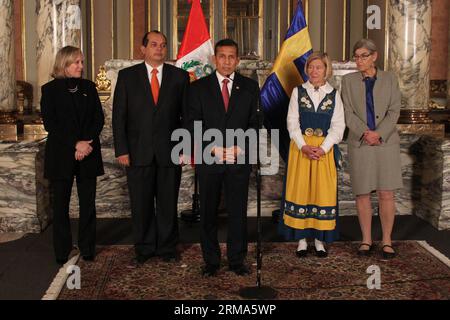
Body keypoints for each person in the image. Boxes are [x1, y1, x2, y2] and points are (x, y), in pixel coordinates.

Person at [112, 31, 190, 264]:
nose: (159, 49)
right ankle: (144, 249)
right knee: (141, 204)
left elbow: (186, 117)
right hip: (137, 152)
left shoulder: (180, 77)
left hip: (170, 152)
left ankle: (167, 248)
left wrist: (185, 147)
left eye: (163, 45)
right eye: (154, 44)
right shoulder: (127, 77)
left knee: (168, 204)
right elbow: (119, 117)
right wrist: (122, 150)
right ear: (142, 49)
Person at [187, 39, 260, 277]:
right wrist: (213, 149)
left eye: (231, 57)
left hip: (238, 158)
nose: (227, 61)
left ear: (238, 60)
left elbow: (255, 123)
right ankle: (211, 261)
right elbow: (192, 124)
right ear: (214, 59)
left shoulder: (249, 87)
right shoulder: (198, 88)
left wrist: (240, 147)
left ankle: (237, 260)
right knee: (208, 212)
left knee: (237, 211)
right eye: (222, 56)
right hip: (210, 158)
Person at [41, 46, 104, 265]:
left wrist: (85, 144)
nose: (81, 66)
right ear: (64, 64)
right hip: (61, 154)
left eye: (82, 62)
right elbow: (51, 124)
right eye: (76, 62)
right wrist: (75, 144)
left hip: (88, 153)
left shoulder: (89, 87)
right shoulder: (49, 90)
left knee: (88, 203)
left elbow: (98, 119)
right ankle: (62, 249)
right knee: (61, 205)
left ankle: (87, 247)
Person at [279, 52, 345, 258]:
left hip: (323, 152)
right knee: (301, 191)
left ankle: (319, 240)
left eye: (319, 67)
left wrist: (323, 148)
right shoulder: (298, 92)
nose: (314, 71)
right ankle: (301, 240)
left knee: (321, 193)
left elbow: (338, 126)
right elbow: (292, 122)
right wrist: (303, 146)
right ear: (306, 69)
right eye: (311, 67)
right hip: (301, 151)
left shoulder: (334, 94)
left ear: (326, 70)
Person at [341, 39, 402, 259]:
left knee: (386, 193)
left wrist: (379, 133)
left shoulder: (390, 79)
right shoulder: (347, 81)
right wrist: (366, 133)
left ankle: (387, 240)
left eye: (363, 56)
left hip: (385, 143)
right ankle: (366, 239)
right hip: (361, 142)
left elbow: (394, 111)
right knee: (362, 193)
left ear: (374, 57)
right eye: (356, 56)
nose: (359, 60)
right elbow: (348, 113)